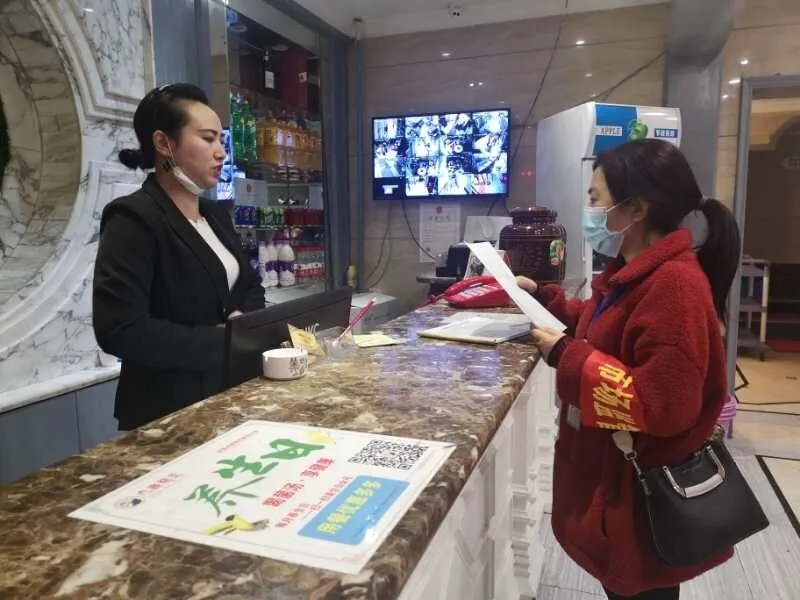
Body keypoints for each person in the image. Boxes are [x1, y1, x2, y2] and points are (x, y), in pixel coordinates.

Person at [518, 139, 741, 600]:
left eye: (595, 198)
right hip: (616, 483)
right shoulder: (637, 271)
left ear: (635, 209)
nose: (589, 209)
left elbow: (664, 406)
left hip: (642, 497)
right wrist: (544, 298)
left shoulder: (674, 285)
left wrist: (567, 356)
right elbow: (603, 326)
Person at [93, 84, 265, 431]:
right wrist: (222, 341)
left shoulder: (216, 215)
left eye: (221, 140)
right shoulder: (133, 218)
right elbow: (119, 329)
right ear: (163, 143)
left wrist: (245, 324)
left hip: (229, 394)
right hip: (166, 412)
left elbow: (251, 286)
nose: (220, 152)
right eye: (207, 139)